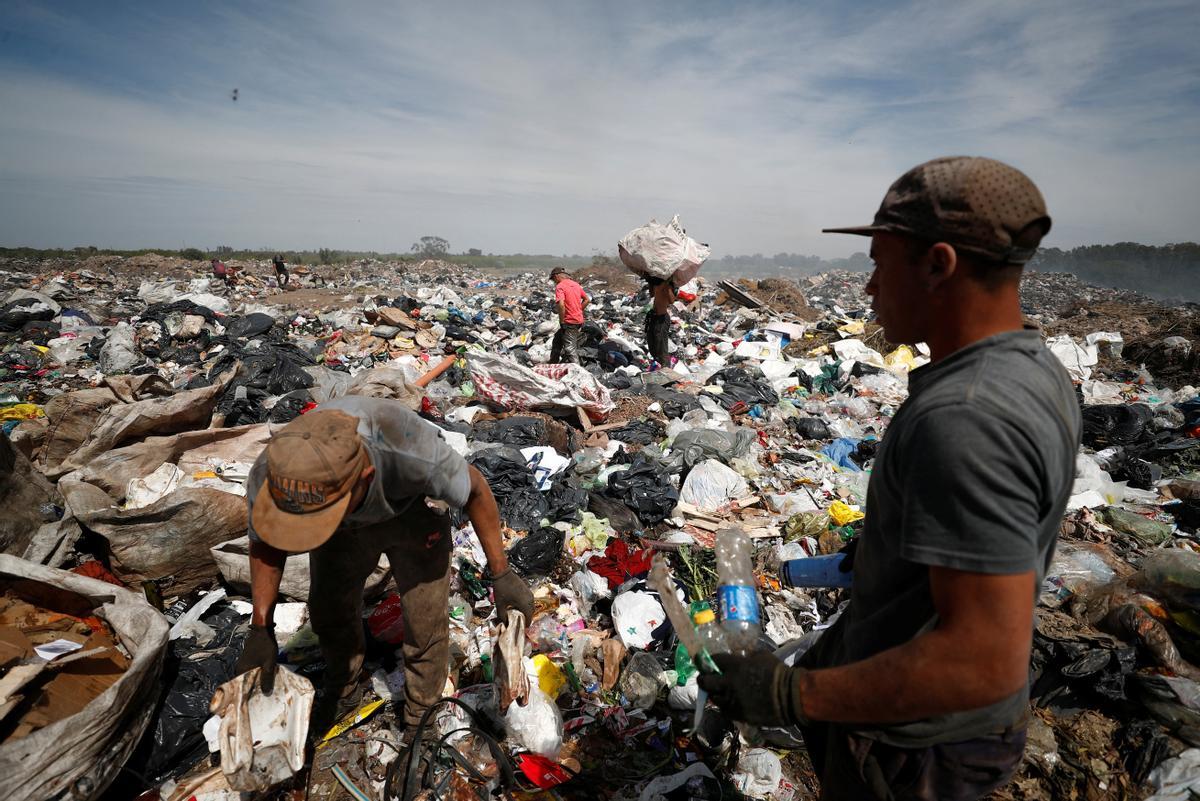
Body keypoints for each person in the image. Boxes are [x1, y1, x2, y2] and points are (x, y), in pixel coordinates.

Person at [700, 157, 1081, 801]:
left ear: (938, 265)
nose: (869, 288)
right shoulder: (1036, 369)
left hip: (917, 749)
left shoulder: (967, 415)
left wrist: (792, 693)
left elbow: (982, 660)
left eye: (880, 263)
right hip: (945, 735)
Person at [234, 398, 535, 736]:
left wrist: (502, 573)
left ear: (366, 477)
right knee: (328, 610)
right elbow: (266, 543)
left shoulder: (410, 453)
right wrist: (261, 628)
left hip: (412, 513)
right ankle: (344, 689)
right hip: (343, 530)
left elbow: (477, 491)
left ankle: (420, 716)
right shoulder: (275, 475)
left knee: (424, 620)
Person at [549, 266, 589, 364]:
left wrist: (562, 321)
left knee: (569, 347)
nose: (554, 282)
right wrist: (578, 310)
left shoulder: (560, 286)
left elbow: (561, 305)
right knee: (557, 340)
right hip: (578, 319)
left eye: (554, 279)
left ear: (557, 276)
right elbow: (587, 299)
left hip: (569, 321)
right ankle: (553, 362)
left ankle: (578, 370)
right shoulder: (575, 284)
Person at [644, 276, 675, 366]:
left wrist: (667, 286)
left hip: (662, 319)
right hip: (653, 317)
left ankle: (666, 369)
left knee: (661, 346)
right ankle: (657, 365)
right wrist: (649, 283)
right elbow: (652, 294)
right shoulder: (655, 285)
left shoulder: (667, 286)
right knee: (652, 344)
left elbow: (672, 300)